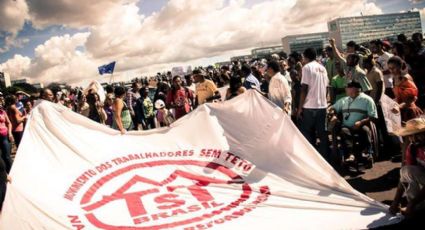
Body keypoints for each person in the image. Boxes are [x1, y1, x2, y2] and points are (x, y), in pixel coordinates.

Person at [329, 82, 378, 162]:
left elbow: (373, 117)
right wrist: (333, 113)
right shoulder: (344, 100)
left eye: (348, 89)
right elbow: (333, 108)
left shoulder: (367, 100)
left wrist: (361, 122)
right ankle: (350, 154)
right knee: (344, 131)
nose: (346, 91)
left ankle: (365, 152)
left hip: (362, 125)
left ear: (355, 90)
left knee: (365, 131)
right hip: (347, 126)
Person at [297, 47, 329, 158]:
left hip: (309, 106)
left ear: (305, 57)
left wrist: (300, 108)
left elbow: (304, 88)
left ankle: (313, 158)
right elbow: (327, 87)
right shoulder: (322, 68)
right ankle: (325, 158)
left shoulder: (306, 67)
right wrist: (323, 100)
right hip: (322, 106)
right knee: (322, 134)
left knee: (307, 133)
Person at [390, 117, 425, 217]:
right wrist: (395, 201)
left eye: (417, 135)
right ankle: (419, 207)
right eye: (410, 136)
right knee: (405, 171)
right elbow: (404, 176)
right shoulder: (413, 148)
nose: (412, 139)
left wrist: (412, 203)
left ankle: (415, 205)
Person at [388, 56, 422, 122]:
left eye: (393, 68)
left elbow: (413, 98)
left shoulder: (405, 78)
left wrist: (399, 106)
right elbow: (399, 96)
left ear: (400, 67)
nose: (391, 70)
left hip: (410, 111)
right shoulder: (394, 78)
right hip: (400, 112)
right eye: (389, 68)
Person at [0, 93, 14, 173]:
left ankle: (11, 173)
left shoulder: (3, 112)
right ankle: (3, 175)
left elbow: (9, 123)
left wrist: (10, 133)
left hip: (4, 137)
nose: (1, 102)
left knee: (7, 157)